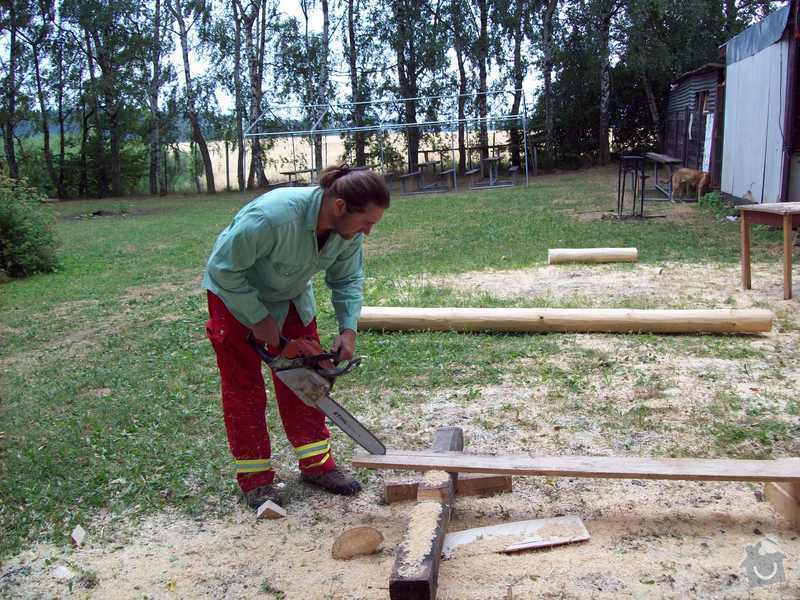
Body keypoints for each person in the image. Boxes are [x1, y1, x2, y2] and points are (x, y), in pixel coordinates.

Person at [202, 164, 390, 508]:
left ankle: (317, 464)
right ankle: (255, 480)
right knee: (243, 386)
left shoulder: (347, 235)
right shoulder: (271, 217)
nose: (369, 231)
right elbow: (222, 268)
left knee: (307, 376)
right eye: (367, 222)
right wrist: (259, 321)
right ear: (339, 207)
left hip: (290, 294)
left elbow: (347, 280)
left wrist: (348, 330)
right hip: (234, 293)